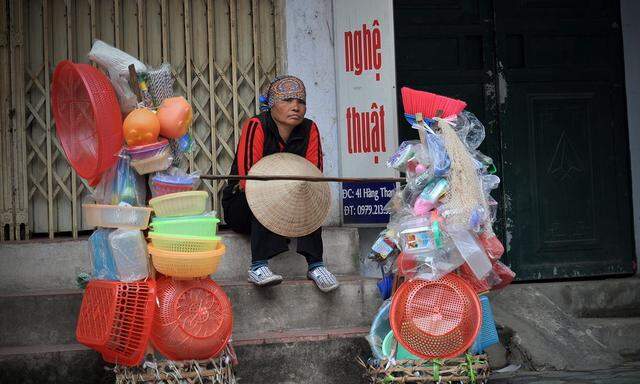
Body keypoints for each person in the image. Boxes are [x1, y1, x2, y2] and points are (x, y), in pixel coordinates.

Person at [222, 75, 339, 292]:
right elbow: (248, 180)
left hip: (289, 209)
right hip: (243, 205)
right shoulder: (256, 125)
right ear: (271, 105)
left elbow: (315, 176)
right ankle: (258, 266)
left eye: (301, 102)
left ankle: (316, 265)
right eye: (287, 100)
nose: (296, 107)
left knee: (311, 194)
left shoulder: (310, 129)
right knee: (263, 193)